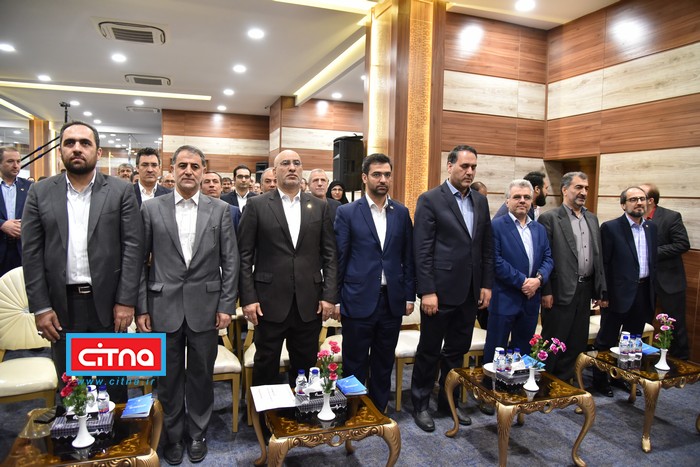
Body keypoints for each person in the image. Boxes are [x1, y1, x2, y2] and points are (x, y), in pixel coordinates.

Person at [22, 121, 144, 404]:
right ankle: (77, 432)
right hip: (61, 308)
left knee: (112, 387)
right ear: (61, 151)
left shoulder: (120, 191)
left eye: (85, 143)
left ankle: (115, 431)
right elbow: (31, 253)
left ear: (98, 152)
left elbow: (133, 248)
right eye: (70, 143)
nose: (77, 148)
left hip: (110, 306)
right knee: (73, 390)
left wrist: (126, 301)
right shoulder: (40, 193)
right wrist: (41, 307)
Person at [136, 145, 238, 465]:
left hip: (206, 307)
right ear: (172, 169)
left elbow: (230, 262)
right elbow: (138, 263)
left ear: (204, 170)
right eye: (183, 165)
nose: (189, 171)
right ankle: (173, 435)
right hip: (162, 306)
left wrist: (226, 305)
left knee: (200, 376)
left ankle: (197, 433)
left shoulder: (220, 209)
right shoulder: (151, 209)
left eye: (195, 166)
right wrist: (141, 307)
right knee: (168, 380)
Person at [238, 149, 337, 391]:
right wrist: (248, 298)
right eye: (285, 163)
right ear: (275, 171)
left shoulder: (319, 207)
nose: (292, 167)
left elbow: (330, 255)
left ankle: (302, 410)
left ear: (302, 170)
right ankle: (267, 413)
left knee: (306, 366)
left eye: (296, 163)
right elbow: (244, 256)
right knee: (266, 364)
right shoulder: (257, 205)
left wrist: (329, 295)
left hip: (309, 302)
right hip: (268, 302)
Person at [411, 144, 493, 432]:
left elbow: (486, 246)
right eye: (464, 166)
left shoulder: (480, 201)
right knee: (429, 350)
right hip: (439, 292)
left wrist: (486, 284)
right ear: (449, 166)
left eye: (473, 167)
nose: (469, 172)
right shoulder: (431, 199)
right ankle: (420, 404)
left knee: (456, 352)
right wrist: (427, 291)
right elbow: (422, 250)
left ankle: (449, 403)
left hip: (470, 292)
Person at [334, 154, 415, 411]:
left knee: (383, 362)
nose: (383, 179)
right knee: (354, 362)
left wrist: (409, 295)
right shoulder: (347, 212)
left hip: (391, 301)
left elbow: (408, 257)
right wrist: (335, 299)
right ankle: (354, 412)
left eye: (387, 175)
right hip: (357, 299)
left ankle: (379, 412)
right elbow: (339, 258)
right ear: (364, 177)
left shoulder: (401, 212)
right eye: (377, 174)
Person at [539, 172, 607, 383]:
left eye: (586, 188)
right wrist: (546, 291)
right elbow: (544, 257)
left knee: (577, 341)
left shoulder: (592, 218)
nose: (583, 192)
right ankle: (546, 383)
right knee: (554, 341)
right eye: (578, 187)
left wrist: (600, 290)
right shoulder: (550, 218)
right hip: (559, 290)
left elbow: (598, 256)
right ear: (564, 189)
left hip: (585, 289)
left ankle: (565, 382)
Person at [594, 186, 657, 396]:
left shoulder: (651, 228)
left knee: (633, 340)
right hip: (616, 294)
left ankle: (624, 377)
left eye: (642, 199)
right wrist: (603, 294)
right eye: (633, 199)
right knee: (607, 338)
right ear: (623, 205)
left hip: (643, 291)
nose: (639, 203)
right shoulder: (611, 228)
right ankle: (601, 379)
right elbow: (603, 264)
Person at [483, 179, 553, 364]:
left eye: (526, 197)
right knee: (495, 351)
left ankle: (519, 381)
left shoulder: (539, 229)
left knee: (523, 352)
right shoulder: (496, 226)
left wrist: (538, 280)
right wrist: (523, 281)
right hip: (504, 299)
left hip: (531, 300)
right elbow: (495, 261)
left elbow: (548, 259)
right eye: (517, 197)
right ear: (507, 201)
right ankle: (491, 382)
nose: (522, 200)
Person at [640, 183, 690, 360]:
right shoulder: (635, 218)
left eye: (641, 196)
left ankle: (680, 362)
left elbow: (682, 244)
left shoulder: (670, 217)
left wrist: (652, 252)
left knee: (675, 324)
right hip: (644, 281)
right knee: (642, 321)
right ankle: (643, 360)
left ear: (651, 200)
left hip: (669, 279)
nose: (637, 200)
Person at [0, 146, 31, 277]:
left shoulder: (30, 187)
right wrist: (2, 224)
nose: (16, 165)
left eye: (18, 161)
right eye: (10, 161)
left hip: (22, 251)